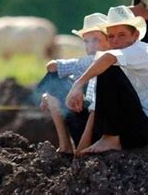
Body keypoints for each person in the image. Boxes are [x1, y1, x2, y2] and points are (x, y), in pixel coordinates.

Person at [66, 5, 148, 154]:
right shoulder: (124, 59)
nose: (115, 41)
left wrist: (78, 84)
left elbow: (107, 58)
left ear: (135, 35)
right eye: (111, 36)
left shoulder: (142, 50)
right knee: (74, 113)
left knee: (108, 67)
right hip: (135, 126)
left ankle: (110, 139)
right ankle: (86, 145)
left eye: (122, 35)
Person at [39, 13, 110, 154]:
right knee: (54, 86)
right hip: (90, 120)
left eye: (96, 40)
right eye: (86, 41)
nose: (90, 46)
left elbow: (53, 67)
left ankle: (73, 148)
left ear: (109, 41)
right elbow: (52, 66)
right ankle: (66, 147)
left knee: (54, 87)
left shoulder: (111, 58)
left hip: (107, 127)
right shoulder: (87, 62)